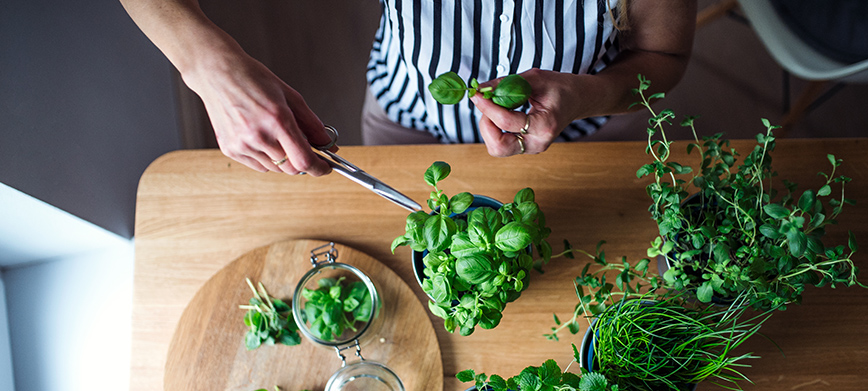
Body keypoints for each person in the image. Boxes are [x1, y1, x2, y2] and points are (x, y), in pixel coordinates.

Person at [120, 0, 696, 176]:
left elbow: (663, 58)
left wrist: (586, 97)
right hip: (406, 113)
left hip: (587, 129)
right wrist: (209, 67)